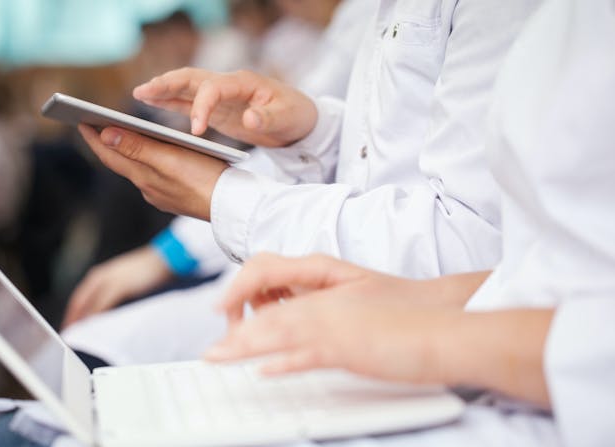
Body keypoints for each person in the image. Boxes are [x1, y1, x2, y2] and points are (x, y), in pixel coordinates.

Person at [205, 0, 615, 445]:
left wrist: (429, 336)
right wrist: (411, 297)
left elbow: (482, 235)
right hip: (502, 367)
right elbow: (551, 262)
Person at [60, 0, 537, 367]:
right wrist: (311, 131)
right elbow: (389, 155)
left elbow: (471, 246)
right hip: (346, 298)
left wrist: (226, 201)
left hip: (421, 341)